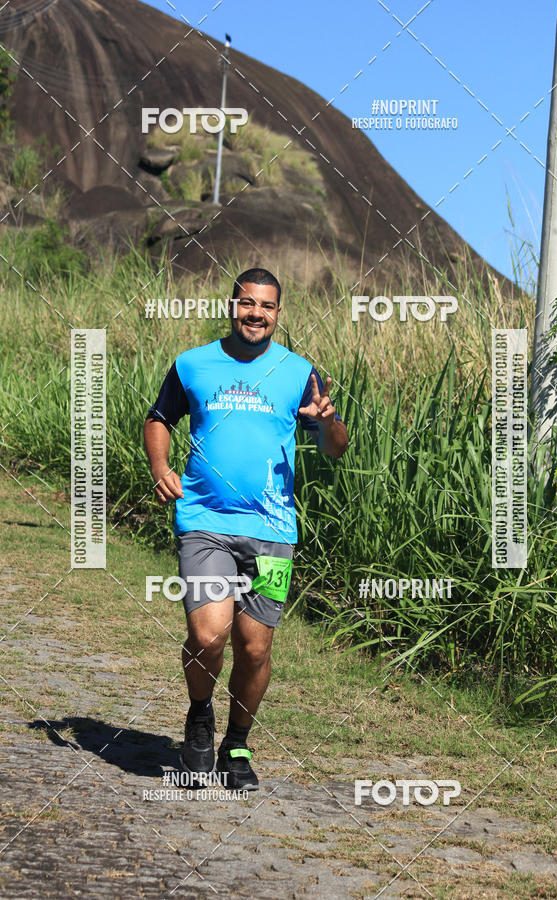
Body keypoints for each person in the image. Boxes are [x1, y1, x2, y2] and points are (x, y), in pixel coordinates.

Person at [144, 267, 348, 791]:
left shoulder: (299, 372)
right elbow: (159, 417)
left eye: (267, 306)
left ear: (278, 314)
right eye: (248, 303)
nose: (256, 313)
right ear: (232, 305)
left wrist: (327, 422)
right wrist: (161, 468)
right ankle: (198, 715)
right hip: (205, 522)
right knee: (208, 635)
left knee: (255, 648)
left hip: (274, 531)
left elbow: (335, 447)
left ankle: (236, 742)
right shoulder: (192, 364)